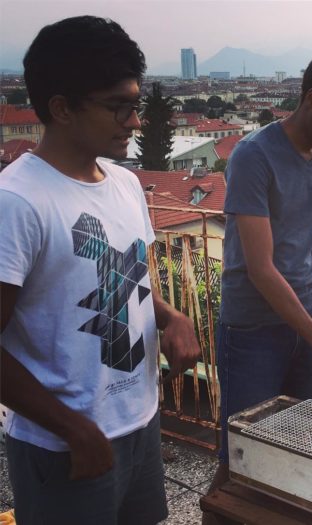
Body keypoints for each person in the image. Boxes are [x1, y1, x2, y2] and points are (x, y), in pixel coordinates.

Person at [0, 16, 201, 524]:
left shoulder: (125, 184)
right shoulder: (17, 202)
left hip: (139, 422)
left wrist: (171, 316)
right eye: (118, 107)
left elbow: (125, 281)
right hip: (62, 446)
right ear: (62, 108)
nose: (134, 122)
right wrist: (71, 428)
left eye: (135, 105)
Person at [206, 49, 312, 501]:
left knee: (308, 450)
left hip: (305, 323)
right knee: (244, 459)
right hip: (251, 329)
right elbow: (261, 269)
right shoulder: (254, 156)